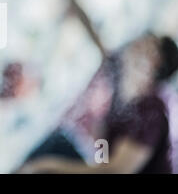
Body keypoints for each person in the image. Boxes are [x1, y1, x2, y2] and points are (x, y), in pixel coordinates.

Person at [17, 34, 178, 174]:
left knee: (51, 154)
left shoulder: (153, 109)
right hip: (86, 151)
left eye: (151, 44)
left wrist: (47, 166)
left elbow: (117, 170)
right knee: (59, 141)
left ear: (156, 62)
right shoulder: (130, 96)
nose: (143, 39)